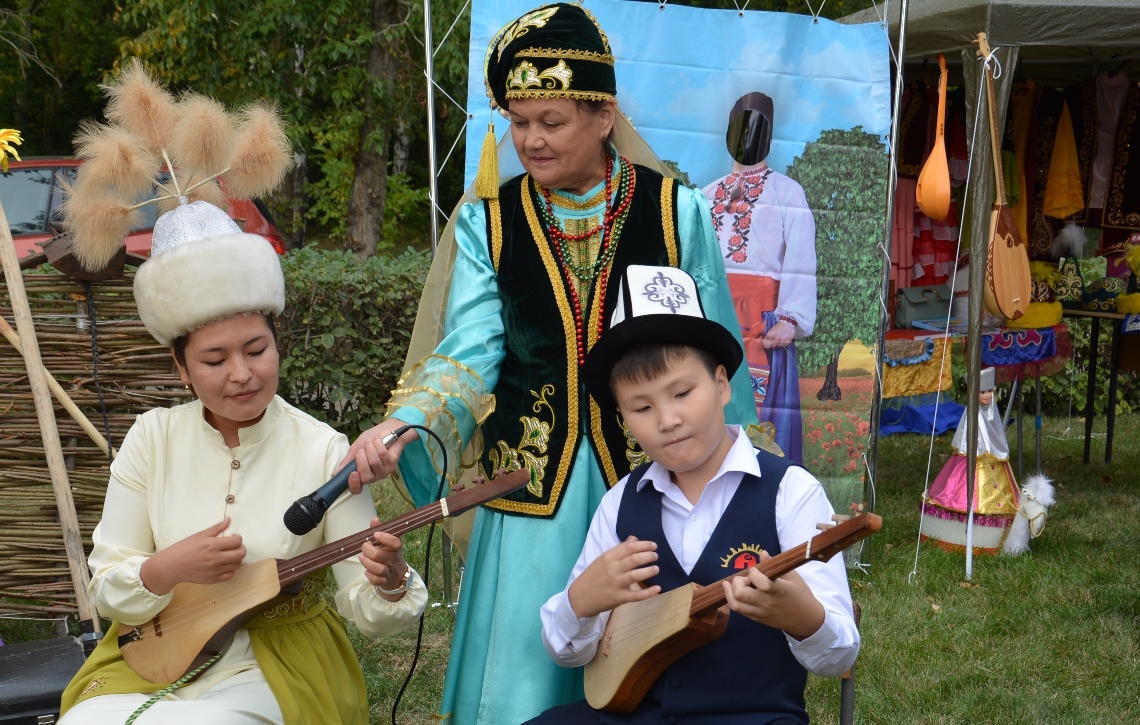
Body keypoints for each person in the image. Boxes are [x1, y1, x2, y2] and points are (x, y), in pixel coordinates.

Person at [338, 5, 757, 722]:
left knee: (651, 669)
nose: (529, 139)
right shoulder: (488, 223)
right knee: (524, 681)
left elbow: (715, 350)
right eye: (518, 120)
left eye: (551, 120)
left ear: (603, 115)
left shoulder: (675, 212)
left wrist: (740, 477)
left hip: (652, 481)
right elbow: (469, 349)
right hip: (532, 490)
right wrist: (410, 422)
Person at [58, 199, 427, 725]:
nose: (242, 374)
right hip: (154, 654)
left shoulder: (322, 449)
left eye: (256, 350)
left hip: (276, 663)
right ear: (180, 366)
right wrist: (168, 568)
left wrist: (389, 579)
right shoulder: (152, 438)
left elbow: (366, 611)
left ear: (278, 343)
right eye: (214, 359)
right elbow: (110, 587)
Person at [527, 265, 859, 724]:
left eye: (682, 392)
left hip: (753, 716)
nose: (667, 420)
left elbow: (839, 655)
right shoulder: (621, 502)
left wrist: (799, 615)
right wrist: (582, 600)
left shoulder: (791, 492)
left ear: (722, 385)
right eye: (641, 407)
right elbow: (566, 652)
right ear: (623, 416)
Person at [703, 92, 817, 462]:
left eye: (757, 128)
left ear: (768, 135)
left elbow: (801, 258)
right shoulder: (705, 196)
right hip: (715, 318)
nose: (748, 136)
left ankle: (768, 503)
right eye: (741, 127)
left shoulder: (788, 192)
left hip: (763, 324)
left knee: (763, 425)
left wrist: (790, 318)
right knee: (710, 411)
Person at [921, 367, 1024, 555]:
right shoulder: (972, 414)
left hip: (992, 462)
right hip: (973, 461)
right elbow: (971, 442)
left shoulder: (991, 414)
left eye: (989, 391)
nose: (987, 396)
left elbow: (994, 438)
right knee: (967, 496)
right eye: (982, 392)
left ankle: (996, 538)